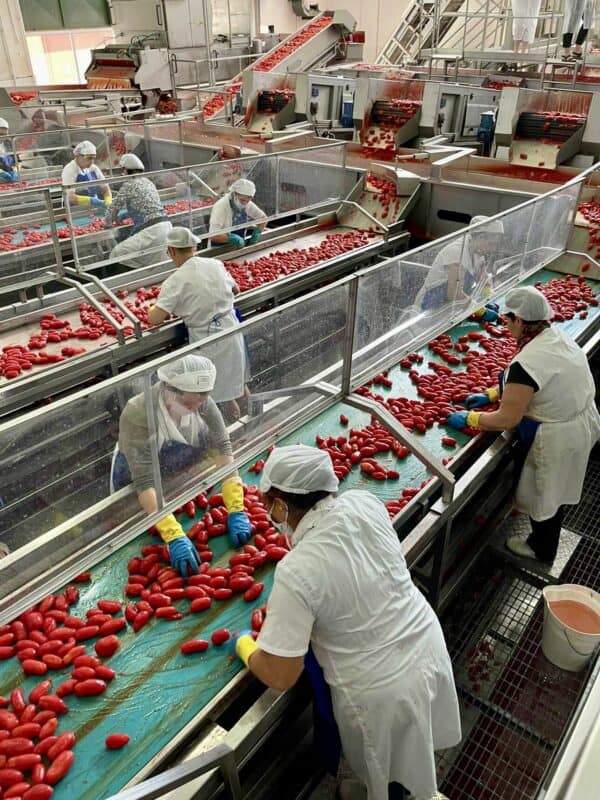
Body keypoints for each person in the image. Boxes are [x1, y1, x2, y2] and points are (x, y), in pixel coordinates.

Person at [232, 445, 461, 800]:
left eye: (268, 502)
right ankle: (409, 788)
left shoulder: (297, 570)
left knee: (386, 770)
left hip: (380, 690)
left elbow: (281, 674)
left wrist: (246, 647)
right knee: (410, 750)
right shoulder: (364, 503)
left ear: (282, 505)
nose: (267, 511)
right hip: (425, 644)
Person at [446, 286, 600, 563]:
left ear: (520, 321)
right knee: (558, 489)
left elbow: (507, 419)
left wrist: (469, 418)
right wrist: (494, 394)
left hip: (559, 437)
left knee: (547, 494)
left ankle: (541, 550)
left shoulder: (526, 362)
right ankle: (543, 541)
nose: (505, 325)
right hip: (580, 420)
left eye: (508, 320)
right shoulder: (555, 337)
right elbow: (540, 382)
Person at [111, 354, 252, 575]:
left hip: (175, 471)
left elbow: (223, 448)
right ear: (168, 388)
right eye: (188, 403)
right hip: (137, 478)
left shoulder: (201, 402)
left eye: (202, 400)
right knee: (133, 530)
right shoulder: (138, 412)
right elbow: (145, 480)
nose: (196, 407)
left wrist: (236, 507)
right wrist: (173, 534)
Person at [148, 227, 248, 421]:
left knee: (217, 395)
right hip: (232, 329)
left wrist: (152, 308)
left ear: (172, 251)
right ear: (194, 247)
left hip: (208, 341)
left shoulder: (175, 280)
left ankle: (234, 432)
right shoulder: (215, 264)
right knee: (238, 383)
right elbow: (236, 289)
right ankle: (253, 418)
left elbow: (155, 319)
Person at [415, 216, 504, 320]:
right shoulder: (457, 252)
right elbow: (454, 292)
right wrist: (481, 311)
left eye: (495, 245)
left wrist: (489, 294)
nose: (492, 248)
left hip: (449, 307)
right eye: (491, 244)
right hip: (429, 308)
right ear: (480, 237)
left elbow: (483, 278)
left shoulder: (478, 250)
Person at [107, 153, 172, 266]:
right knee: (159, 264)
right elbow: (144, 205)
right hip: (166, 227)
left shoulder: (129, 184)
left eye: (123, 171)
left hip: (152, 231)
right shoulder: (148, 182)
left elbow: (113, 208)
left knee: (117, 253)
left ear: (126, 170)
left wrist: (107, 222)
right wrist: (125, 216)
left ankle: (129, 281)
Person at [209, 178, 267, 249]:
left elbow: (263, 218)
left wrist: (257, 233)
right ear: (234, 194)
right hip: (219, 247)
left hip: (238, 245)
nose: (245, 203)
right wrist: (232, 238)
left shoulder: (247, 204)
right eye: (242, 200)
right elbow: (213, 235)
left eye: (248, 200)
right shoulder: (221, 206)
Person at [61, 140, 112, 210]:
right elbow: (70, 198)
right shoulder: (70, 170)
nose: (91, 162)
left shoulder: (94, 168)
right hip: (75, 211)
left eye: (93, 158)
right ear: (78, 156)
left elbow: (106, 189)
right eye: (89, 158)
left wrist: (108, 203)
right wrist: (92, 200)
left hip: (93, 210)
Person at [0, 118, 18, 183]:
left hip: (10, 179)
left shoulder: (9, 142)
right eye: (0, 134)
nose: (3, 137)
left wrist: (15, 170)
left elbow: (17, 160)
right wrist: (1, 172)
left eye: (5, 134)